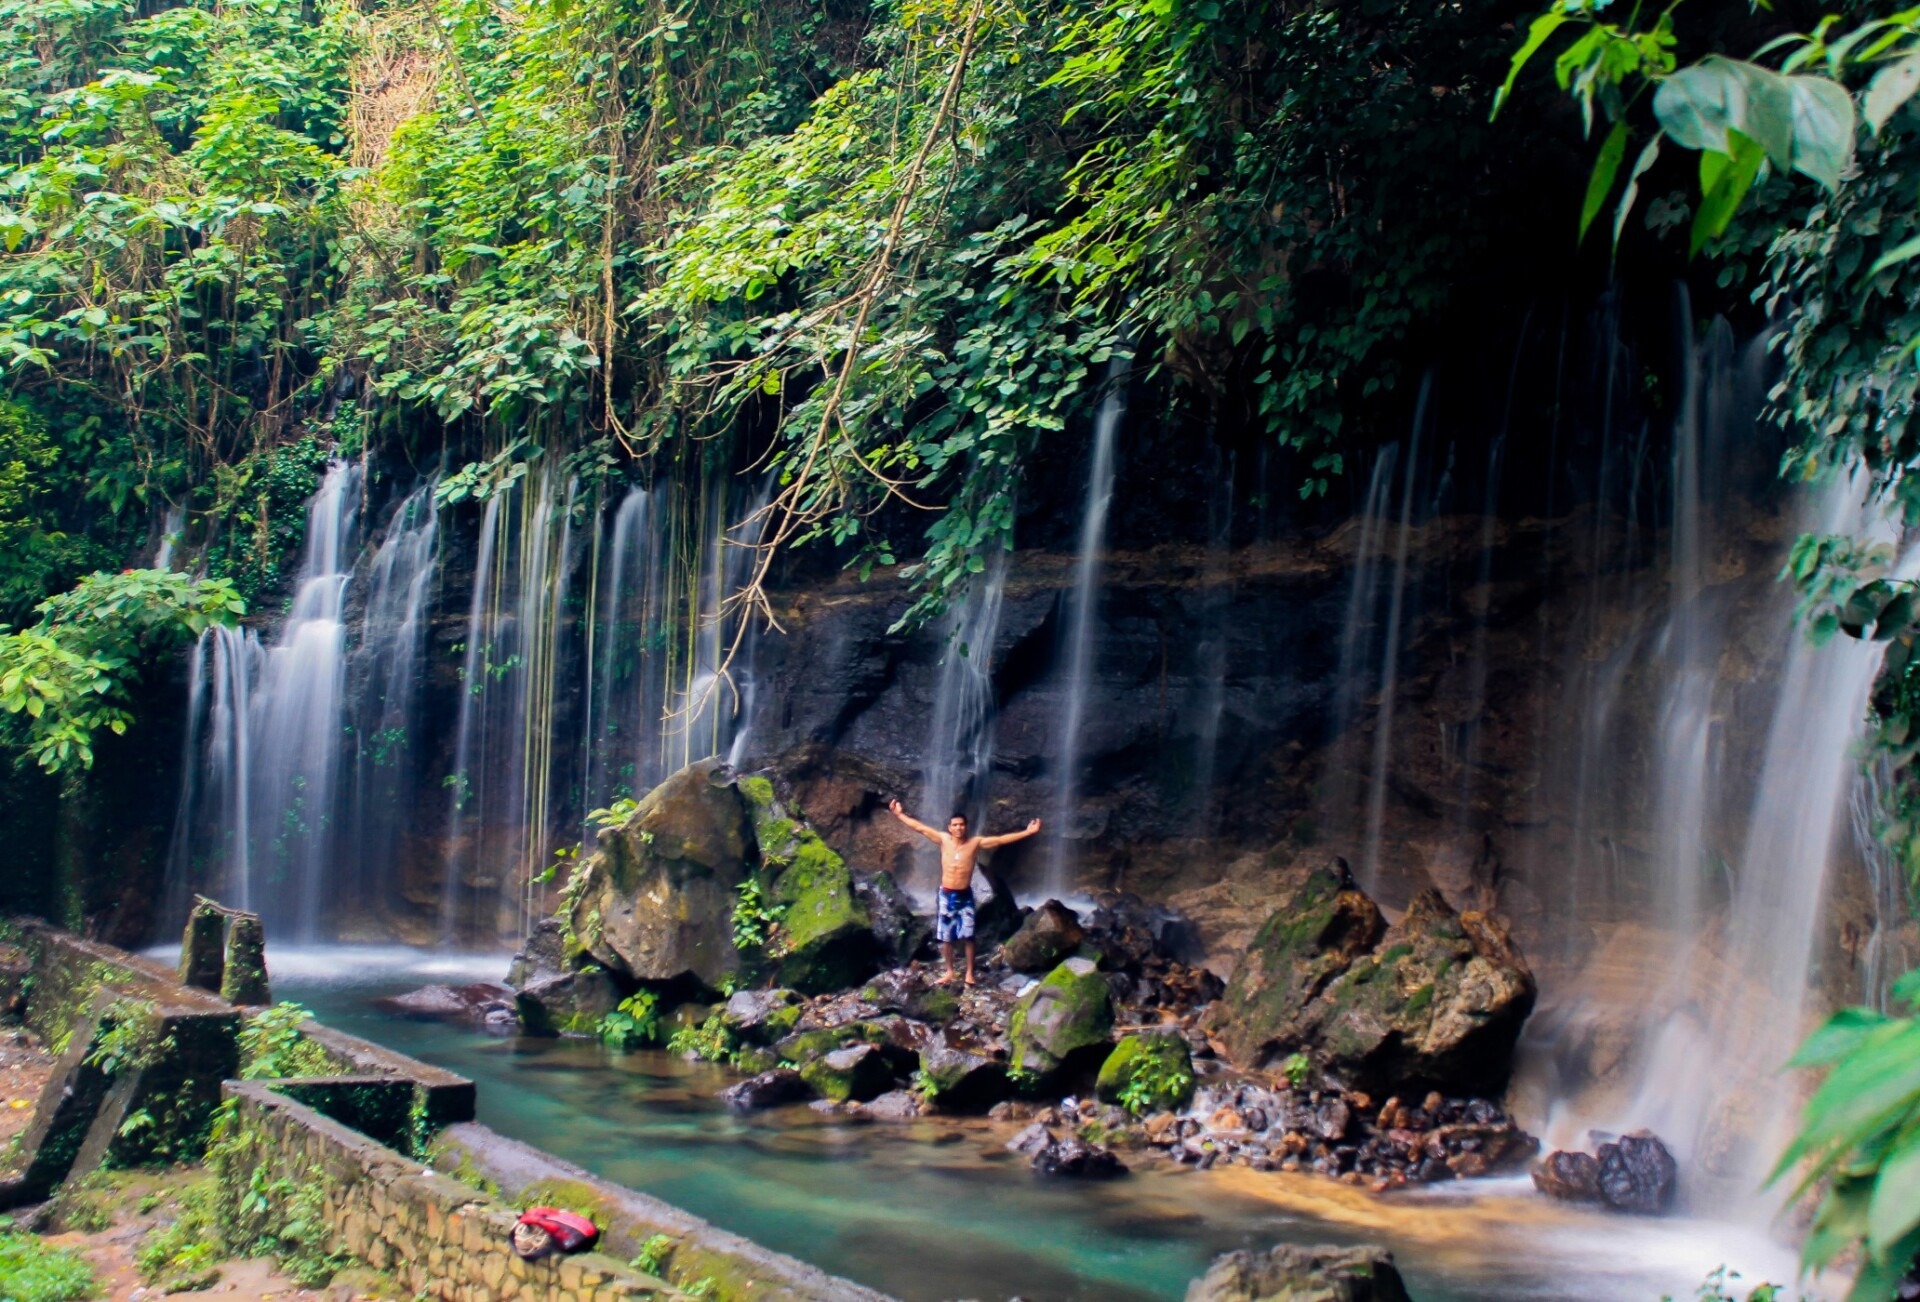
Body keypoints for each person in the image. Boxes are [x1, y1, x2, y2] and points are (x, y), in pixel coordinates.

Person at [886, 799, 1041, 986]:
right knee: (946, 937)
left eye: (961, 825)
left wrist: (1028, 832)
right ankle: (949, 971)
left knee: (968, 936)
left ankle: (969, 973)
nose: (958, 828)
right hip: (946, 894)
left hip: (965, 895)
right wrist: (899, 814)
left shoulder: (975, 843)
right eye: (955, 825)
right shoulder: (943, 840)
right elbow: (920, 828)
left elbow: (1000, 840)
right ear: (949, 828)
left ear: (966, 827)